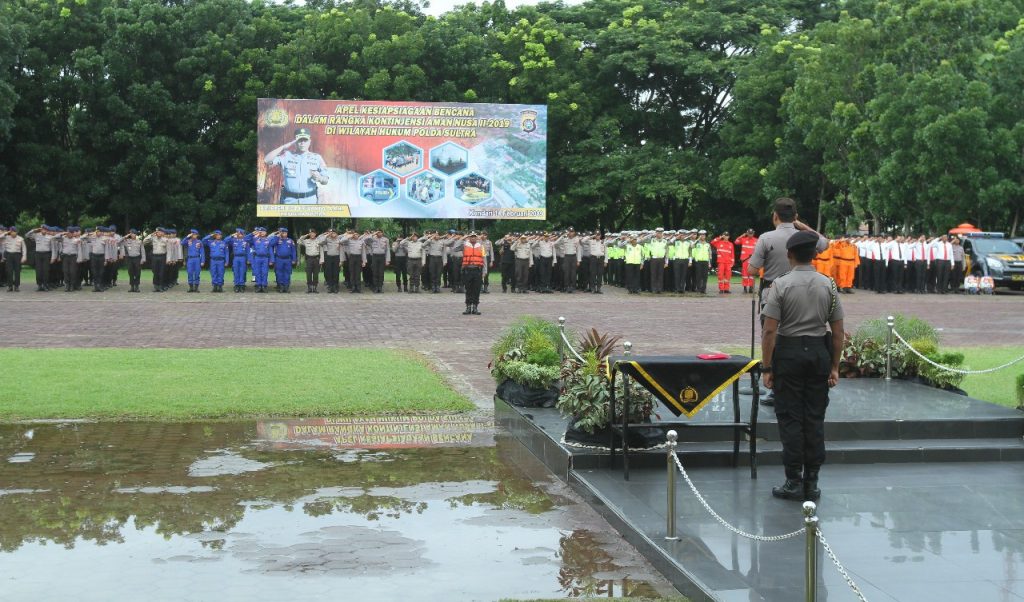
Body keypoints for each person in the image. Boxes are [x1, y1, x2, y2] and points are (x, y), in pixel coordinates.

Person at [760, 230, 845, 502]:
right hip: (819, 352)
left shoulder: (781, 285)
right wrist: (835, 366)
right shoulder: (827, 284)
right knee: (814, 417)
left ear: (790, 255)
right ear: (814, 255)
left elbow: (770, 332)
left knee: (790, 418)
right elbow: (839, 331)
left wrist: (767, 367)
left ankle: (793, 480)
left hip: (790, 353)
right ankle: (812, 481)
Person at [747, 198, 829, 406]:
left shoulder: (766, 238)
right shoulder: (804, 236)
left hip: (773, 290)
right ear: (795, 217)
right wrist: (802, 227)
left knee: (771, 337)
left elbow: (752, 270)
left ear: (774, 215)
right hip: (804, 291)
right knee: (796, 334)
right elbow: (825, 244)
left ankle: (774, 385)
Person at [264, 128, 329, 204]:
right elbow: (267, 160)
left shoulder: (317, 158)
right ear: (295, 141)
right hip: (289, 201)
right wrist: (283, 147)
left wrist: (320, 178)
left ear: (309, 142)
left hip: (309, 201)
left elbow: (326, 181)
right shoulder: (286, 156)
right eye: (300, 140)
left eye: (305, 140)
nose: (302, 143)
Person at [26, 225, 58, 291]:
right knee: (38, 271)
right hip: (38, 254)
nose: (43, 230)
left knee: (46, 271)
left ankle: (45, 285)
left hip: (47, 254)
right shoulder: (36, 235)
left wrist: (53, 258)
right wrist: (34, 230)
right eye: (42, 229)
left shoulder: (50, 237)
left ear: (47, 230)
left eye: (45, 229)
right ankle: (39, 285)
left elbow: (53, 248)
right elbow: (27, 235)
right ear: (41, 230)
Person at [461, 232, 485, 315]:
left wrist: (484, 271)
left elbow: (484, 258)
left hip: (477, 270)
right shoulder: (464, 245)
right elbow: (455, 248)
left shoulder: (481, 246)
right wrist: (463, 238)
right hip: (467, 270)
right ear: (469, 238)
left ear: (477, 238)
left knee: (476, 289)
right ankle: (468, 307)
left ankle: (475, 307)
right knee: (468, 289)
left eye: (475, 237)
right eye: (471, 237)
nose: (473, 238)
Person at [270, 227, 297, 293]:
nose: (283, 234)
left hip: (288, 259)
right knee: (279, 273)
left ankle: (286, 287)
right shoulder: (277, 240)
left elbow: (293, 251)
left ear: (287, 233)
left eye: (285, 233)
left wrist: (294, 259)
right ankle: (281, 287)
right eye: (282, 233)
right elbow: (271, 244)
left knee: (287, 273)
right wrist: (277, 236)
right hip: (279, 259)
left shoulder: (290, 241)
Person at [2, 226, 28, 291]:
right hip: (9, 255)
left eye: (14, 231)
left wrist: (24, 256)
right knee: (9, 271)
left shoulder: (20, 238)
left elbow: (24, 248)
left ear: (16, 232)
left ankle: (16, 286)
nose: (12, 233)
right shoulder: (6, 237)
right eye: (11, 231)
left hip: (17, 255)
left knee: (17, 271)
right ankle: (10, 286)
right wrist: (6, 233)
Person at [298, 229, 323, 293]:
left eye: (313, 233)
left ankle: (314, 288)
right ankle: (309, 287)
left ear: (315, 234)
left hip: (316, 259)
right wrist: (306, 235)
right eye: (311, 233)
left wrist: (321, 260)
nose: (312, 234)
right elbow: (299, 241)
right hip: (309, 259)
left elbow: (321, 251)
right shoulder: (306, 241)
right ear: (309, 234)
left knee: (316, 274)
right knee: (308, 274)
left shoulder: (318, 241)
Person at [249, 227, 273, 293]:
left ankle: (264, 286)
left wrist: (271, 260)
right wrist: (252, 234)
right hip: (257, 258)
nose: (262, 233)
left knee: (264, 272)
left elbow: (270, 251)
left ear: (266, 233)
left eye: (263, 232)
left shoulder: (268, 240)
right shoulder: (255, 239)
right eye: (260, 232)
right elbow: (246, 239)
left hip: (265, 258)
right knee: (257, 272)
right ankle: (259, 286)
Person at [735, 229, 758, 293]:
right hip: (745, 260)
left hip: (753, 260)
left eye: (751, 233)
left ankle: (751, 288)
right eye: (749, 233)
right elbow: (736, 242)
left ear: (753, 233)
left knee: (752, 274)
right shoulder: (743, 239)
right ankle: (745, 288)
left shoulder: (756, 240)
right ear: (747, 233)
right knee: (745, 274)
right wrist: (741, 236)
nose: (750, 234)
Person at [228, 228, 251, 293]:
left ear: (243, 235)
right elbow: (225, 240)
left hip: (243, 258)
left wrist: (249, 259)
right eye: (238, 233)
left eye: (241, 234)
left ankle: (242, 285)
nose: (239, 235)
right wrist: (232, 235)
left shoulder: (245, 241)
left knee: (242, 271)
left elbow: (248, 251)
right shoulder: (233, 240)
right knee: (236, 271)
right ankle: (236, 285)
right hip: (236, 258)